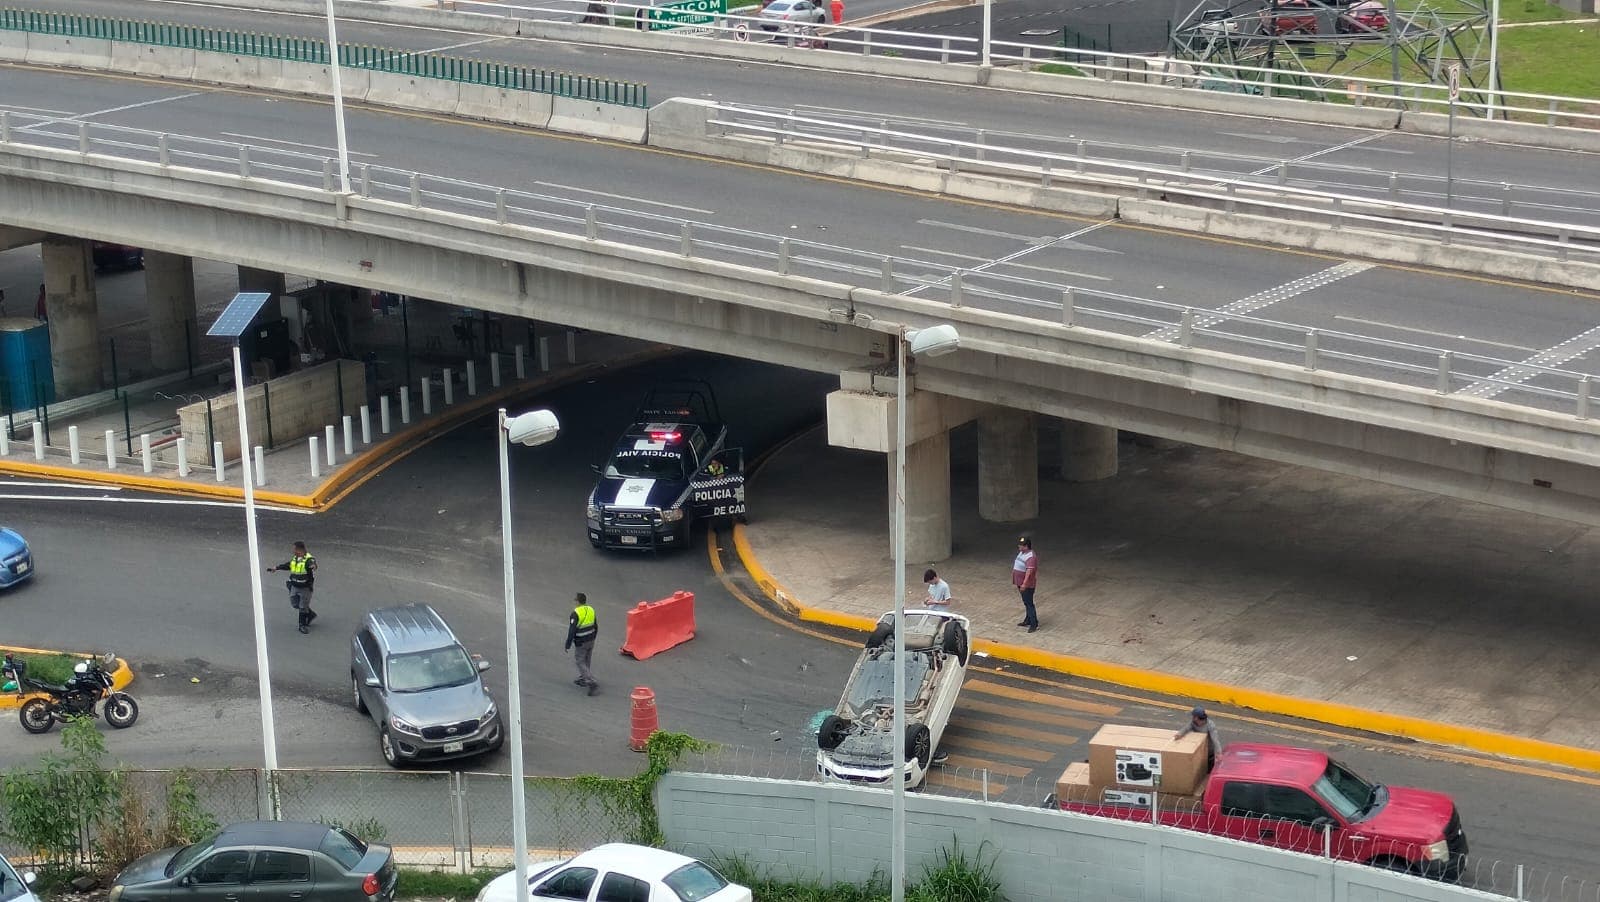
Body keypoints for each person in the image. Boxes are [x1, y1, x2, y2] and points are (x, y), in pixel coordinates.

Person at [266, 541, 318, 634]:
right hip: (295, 586)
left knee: (302, 607)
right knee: (295, 604)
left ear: (299, 549)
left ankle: (302, 625)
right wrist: (276, 568)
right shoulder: (295, 559)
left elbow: (313, 564)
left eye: (294, 549)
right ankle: (310, 614)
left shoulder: (308, 559)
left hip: (305, 588)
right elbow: (288, 565)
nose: (293, 551)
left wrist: (313, 566)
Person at [565, 592, 599, 696]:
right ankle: (583, 678)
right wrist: (593, 637)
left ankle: (590, 681)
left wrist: (568, 644)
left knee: (580, 661)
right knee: (587, 659)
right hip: (591, 639)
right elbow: (595, 625)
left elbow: (572, 630)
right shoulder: (591, 610)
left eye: (575, 599)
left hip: (581, 641)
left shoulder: (575, 613)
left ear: (578, 601)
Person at [1011, 536, 1038, 632]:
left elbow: (1029, 572)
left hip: (1027, 585)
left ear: (1026, 546)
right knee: (1026, 602)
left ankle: (1034, 623)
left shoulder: (1031, 557)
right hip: (1020, 582)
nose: (1019, 546)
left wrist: (1024, 584)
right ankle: (1028, 620)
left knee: (1029, 603)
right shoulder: (1022, 553)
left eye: (1021, 545)